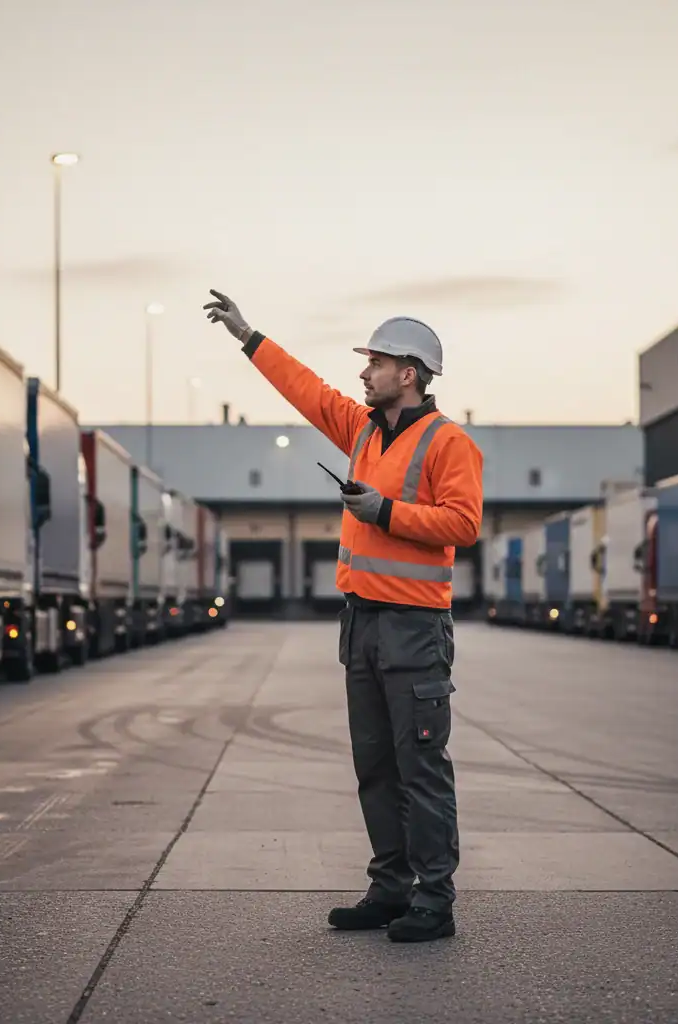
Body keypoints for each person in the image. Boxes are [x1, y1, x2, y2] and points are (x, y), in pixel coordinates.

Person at [203, 289, 483, 943]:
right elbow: (306, 390)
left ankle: (434, 901)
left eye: (375, 363)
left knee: (421, 769)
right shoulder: (361, 430)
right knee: (375, 767)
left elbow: (463, 524)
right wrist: (248, 336)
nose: (363, 372)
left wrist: (384, 512)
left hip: (414, 629)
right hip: (361, 626)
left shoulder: (449, 443)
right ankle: (390, 890)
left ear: (408, 374)